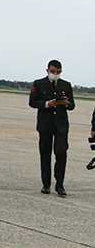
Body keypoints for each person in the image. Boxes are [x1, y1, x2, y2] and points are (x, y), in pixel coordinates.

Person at [29, 60, 75, 197]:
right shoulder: (38, 84)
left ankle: (60, 184)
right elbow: (32, 102)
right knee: (45, 154)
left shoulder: (66, 85)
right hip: (45, 124)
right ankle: (46, 184)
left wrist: (66, 103)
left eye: (58, 72)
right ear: (48, 70)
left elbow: (72, 105)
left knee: (61, 153)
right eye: (53, 71)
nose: (56, 74)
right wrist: (48, 104)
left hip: (61, 125)